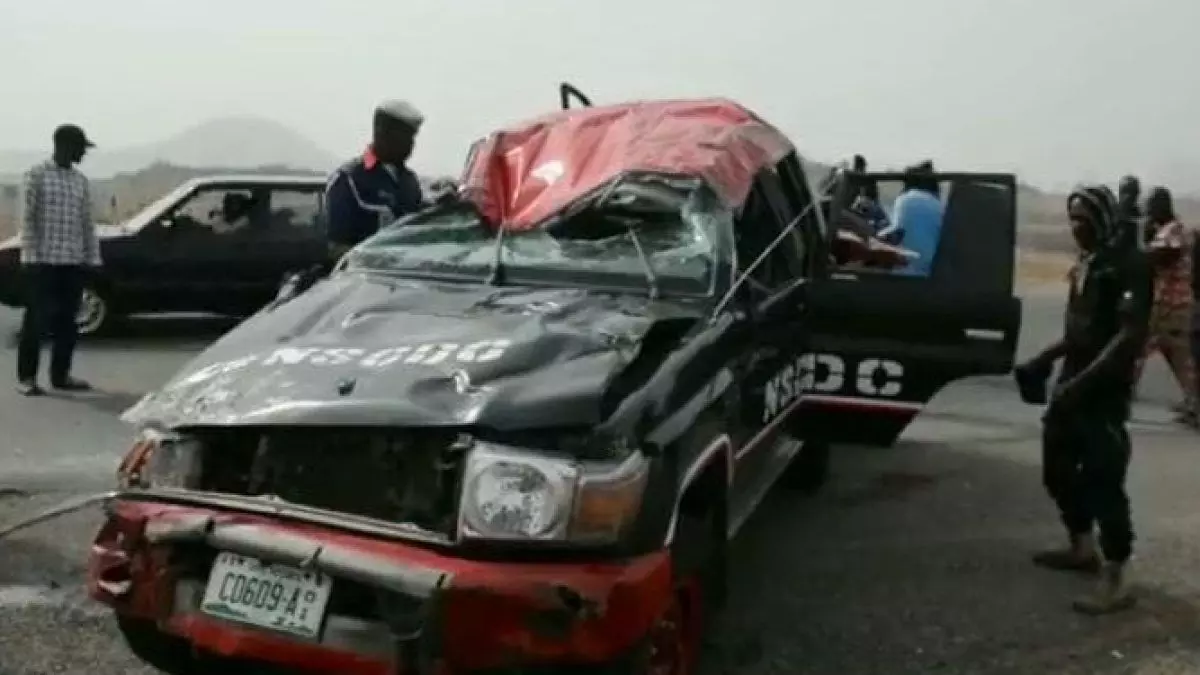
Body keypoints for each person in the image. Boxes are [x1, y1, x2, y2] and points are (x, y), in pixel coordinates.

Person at [1014, 185, 1152, 614]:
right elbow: (1079, 334)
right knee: (1056, 469)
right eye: (1071, 219)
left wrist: (1081, 385)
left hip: (1103, 392)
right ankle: (1081, 547)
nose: (1076, 228)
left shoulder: (1130, 265)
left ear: (1103, 218)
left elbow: (1128, 336)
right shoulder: (1087, 264)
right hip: (1072, 384)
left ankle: (1117, 574)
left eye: (1083, 220)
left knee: (1103, 479)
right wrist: (1042, 360)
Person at [15, 124, 101, 396]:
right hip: (43, 263)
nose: (82, 154)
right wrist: (29, 256)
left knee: (68, 323)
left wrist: (92, 258)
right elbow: (27, 219)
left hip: (72, 262)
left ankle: (61, 375)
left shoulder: (80, 181)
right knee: (36, 322)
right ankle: (27, 378)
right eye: (80, 149)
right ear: (63, 146)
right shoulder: (36, 176)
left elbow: (87, 223)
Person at [323, 99, 425, 261]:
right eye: (405, 136)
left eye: (413, 137)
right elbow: (335, 248)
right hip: (364, 281)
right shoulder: (348, 179)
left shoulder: (410, 181)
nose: (411, 144)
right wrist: (380, 261)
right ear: (381, 132)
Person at [1131, 186, 1198, 427]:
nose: (1147, 212)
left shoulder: (1174, 231)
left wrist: (1141, 247)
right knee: (1178, 358)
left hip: (1170, 305)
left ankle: (1121, 398)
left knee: (1136, 349)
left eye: (1149, 207)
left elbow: (1164, 254)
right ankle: (1195, 405)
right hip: (1169, 305)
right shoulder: (1167, 230)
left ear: (1161, 207)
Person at [890, 161, 944, 276]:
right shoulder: (938, 206)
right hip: (933, 275)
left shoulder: (903, 200)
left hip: (903, 273)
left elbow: (896, 232)